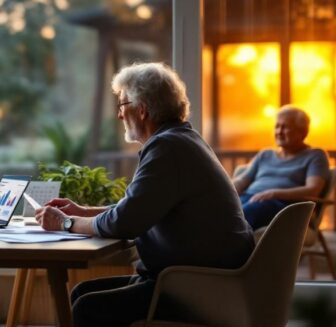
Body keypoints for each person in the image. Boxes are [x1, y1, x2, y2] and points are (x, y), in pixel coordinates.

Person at [36, 62, 255, 327]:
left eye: (122, 105)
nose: (119, 115)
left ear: (141, 110)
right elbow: (140, 207)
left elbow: (124, 222)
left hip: (197, 287)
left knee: (88, 307)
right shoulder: (183, 139)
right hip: (209, 277)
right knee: (83, 293)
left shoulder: (167, 148)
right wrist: (83, 212)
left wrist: (65, 223)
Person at [233, 105, 329, 230]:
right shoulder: (265, 154)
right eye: (277, 126)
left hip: (283, 205)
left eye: (285, 127)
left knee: (242, 215)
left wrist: (274, 194)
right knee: (222, 210)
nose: (279, 131)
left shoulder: (315, 155)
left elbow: (313, 189)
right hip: (250, 197)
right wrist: (226, 190)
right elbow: (242, 180)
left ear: (302, 132)